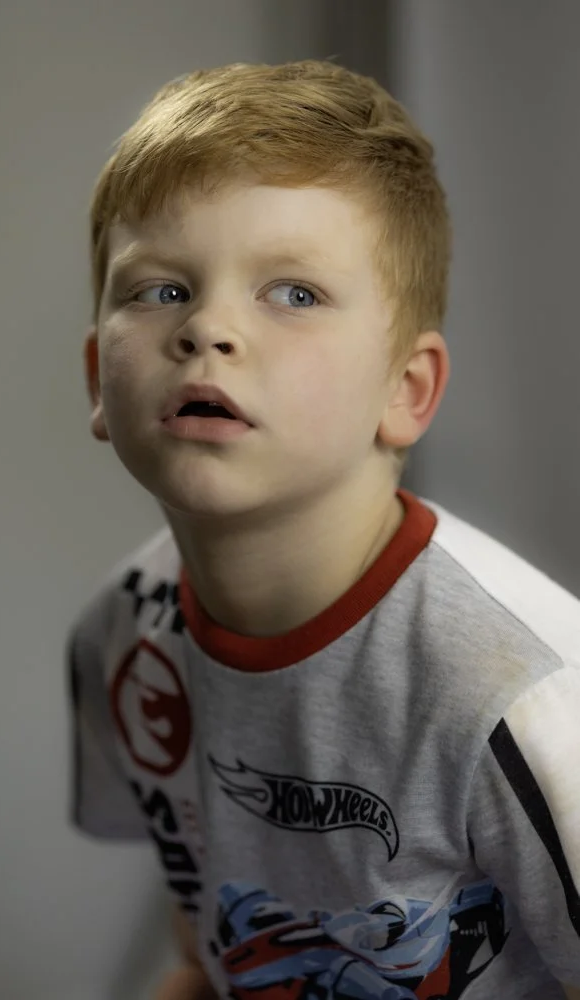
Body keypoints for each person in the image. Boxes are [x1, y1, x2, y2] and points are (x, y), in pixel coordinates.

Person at [67, 59, 580, 1000]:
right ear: (99, 374)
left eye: (293, 293)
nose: (209, 327)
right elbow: (202, 945)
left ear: (405, 390)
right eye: (161, 290)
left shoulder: (520, 695)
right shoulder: (120, 636)